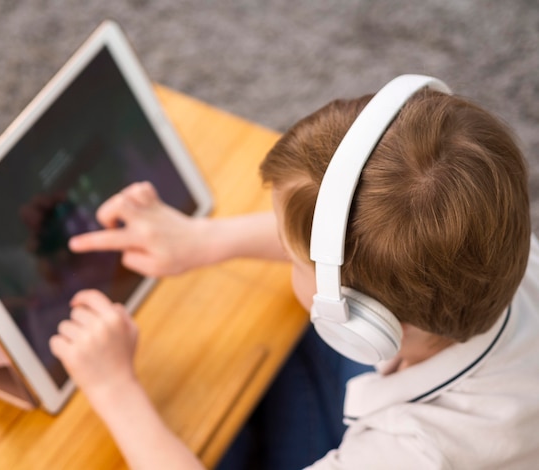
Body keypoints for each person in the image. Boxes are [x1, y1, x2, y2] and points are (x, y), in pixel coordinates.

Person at [49, 78, 539, 469]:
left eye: (290, 250)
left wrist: (115, 390)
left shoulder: (411, 453)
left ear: (366, 324)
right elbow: (344, 241)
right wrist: (205, 240)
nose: (284, 251)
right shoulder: (498, 240)